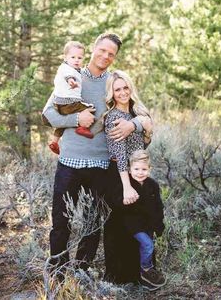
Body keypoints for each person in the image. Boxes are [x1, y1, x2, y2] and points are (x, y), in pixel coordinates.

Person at [42, 33, 143, 279]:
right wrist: (77, 119)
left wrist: (135, 124)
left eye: (112, 54)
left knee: (92, 224)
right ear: (94, 48)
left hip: (101, 166)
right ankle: (58, 275)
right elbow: (47, 115)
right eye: (103, 50)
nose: (106, 56)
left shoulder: (113, 82)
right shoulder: (71, 75)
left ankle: (81, 272)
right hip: (70, 163)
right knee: (61, 222)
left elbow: (141, 112)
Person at [103, 70, 157, 286]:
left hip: (138, 175)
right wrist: (126, 187)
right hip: (120, 177)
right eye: (117, 89)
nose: (123, 92)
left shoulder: (136, 113)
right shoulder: (114, 117)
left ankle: (142, 274)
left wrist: (146, 129)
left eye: (126, 87)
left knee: (142, 223)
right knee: (121, 226)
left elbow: (144, 143)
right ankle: (119, 278)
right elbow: (119, 155)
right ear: (112, 93)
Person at [125, 150, 166, 287]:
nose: (140, 172)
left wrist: (159, 224)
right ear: (129, 170)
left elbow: (158, 205)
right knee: (148, 244)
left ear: (149, 169)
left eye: (144, 169)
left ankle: (144, 274)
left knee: (146, 246)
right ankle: (146, 269)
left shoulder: (152, 184)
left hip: (149, 224)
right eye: (136, 169)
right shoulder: (128, 185)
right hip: (134, 225)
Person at [47, 41, 94, 155]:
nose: (76, 60)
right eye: (73, 57)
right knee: (91, 108)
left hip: (60, 104)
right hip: (68, 102)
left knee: (63, 124)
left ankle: (54, 141)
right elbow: (69, 76)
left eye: (80, 57)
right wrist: (71, 81)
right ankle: (82, 127)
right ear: (65, 58)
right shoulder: (67, 68)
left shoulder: (75, 69)